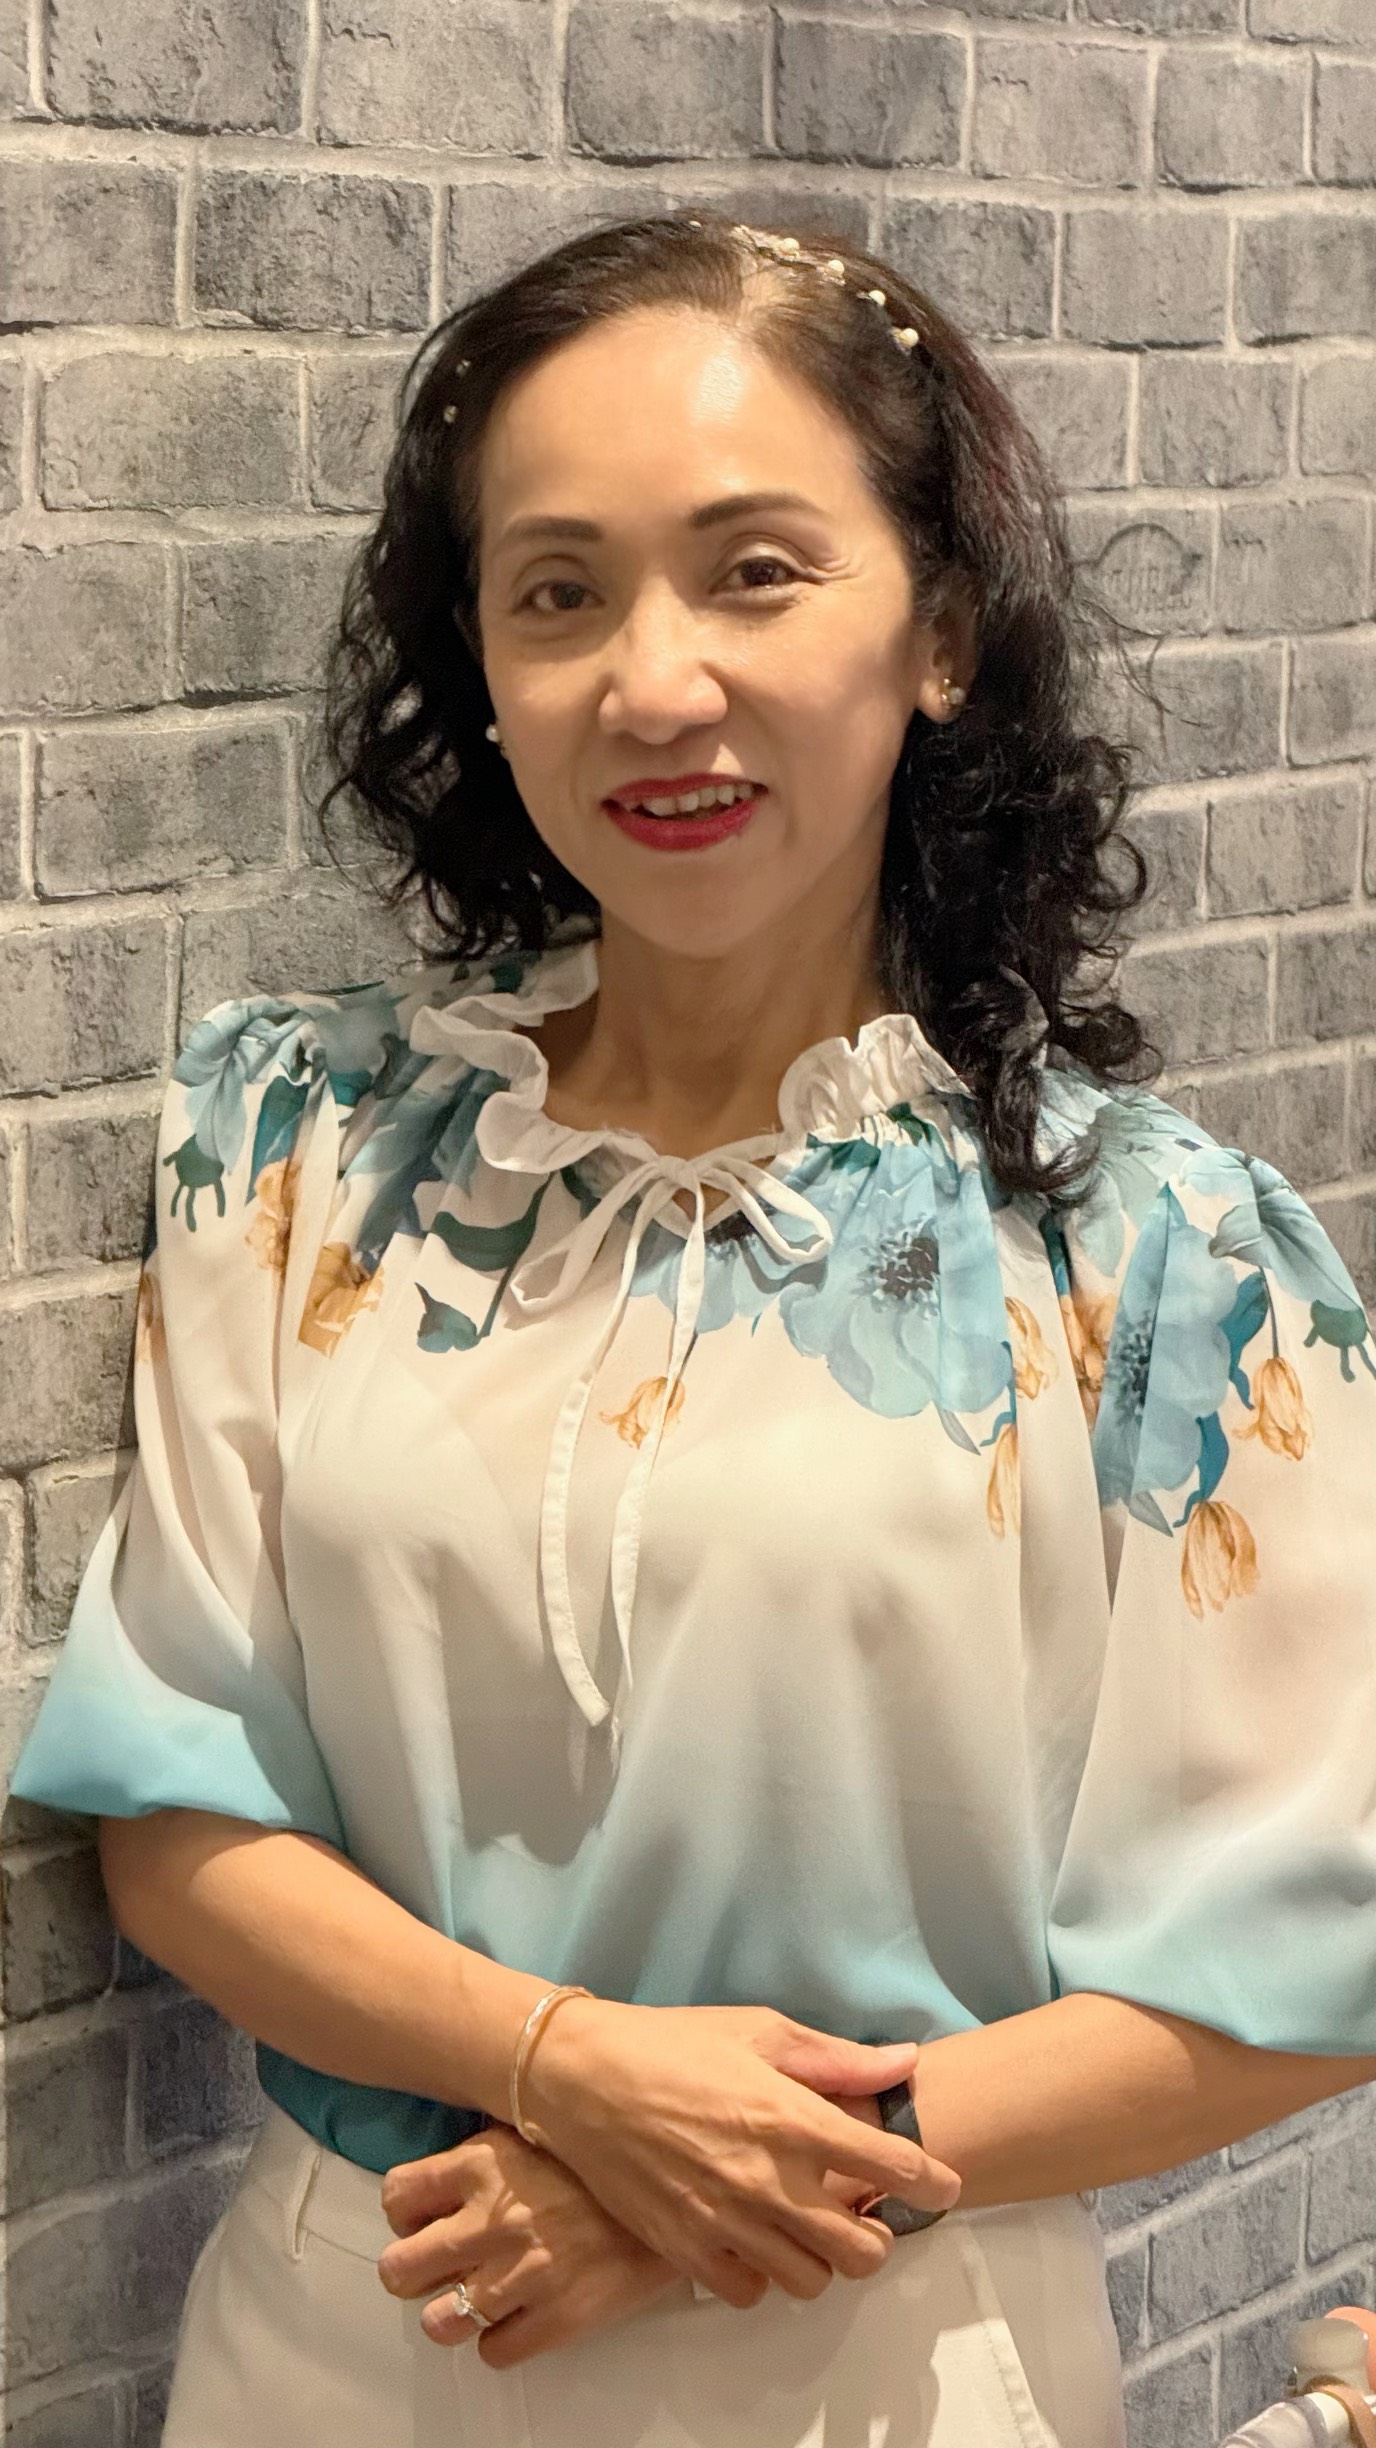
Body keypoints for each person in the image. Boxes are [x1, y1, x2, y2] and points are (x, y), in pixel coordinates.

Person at [12, 207, 1376, 2448]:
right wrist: (566, 2072)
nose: (653, 685)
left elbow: (1304, 1964)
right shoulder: (301, 1147)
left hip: (886, 2341)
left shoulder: (1158, 1260)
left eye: (754, 572)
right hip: (350, 2332)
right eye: (557, 593)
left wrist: (738, 2179)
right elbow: (174, 1818)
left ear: (940, 632)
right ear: (478, 659)